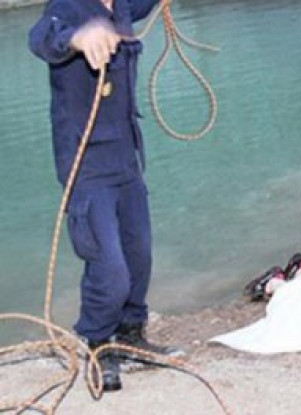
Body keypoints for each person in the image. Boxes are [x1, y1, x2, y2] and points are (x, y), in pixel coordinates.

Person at [29, 0, 179, 392]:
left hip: (126, 161)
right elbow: (41, 37)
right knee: (109, 268)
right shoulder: (65, 7)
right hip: (87, 167)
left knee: (138, 256)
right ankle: (96, 342)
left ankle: (130, 335)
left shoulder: (123, 6)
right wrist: (78, 37)